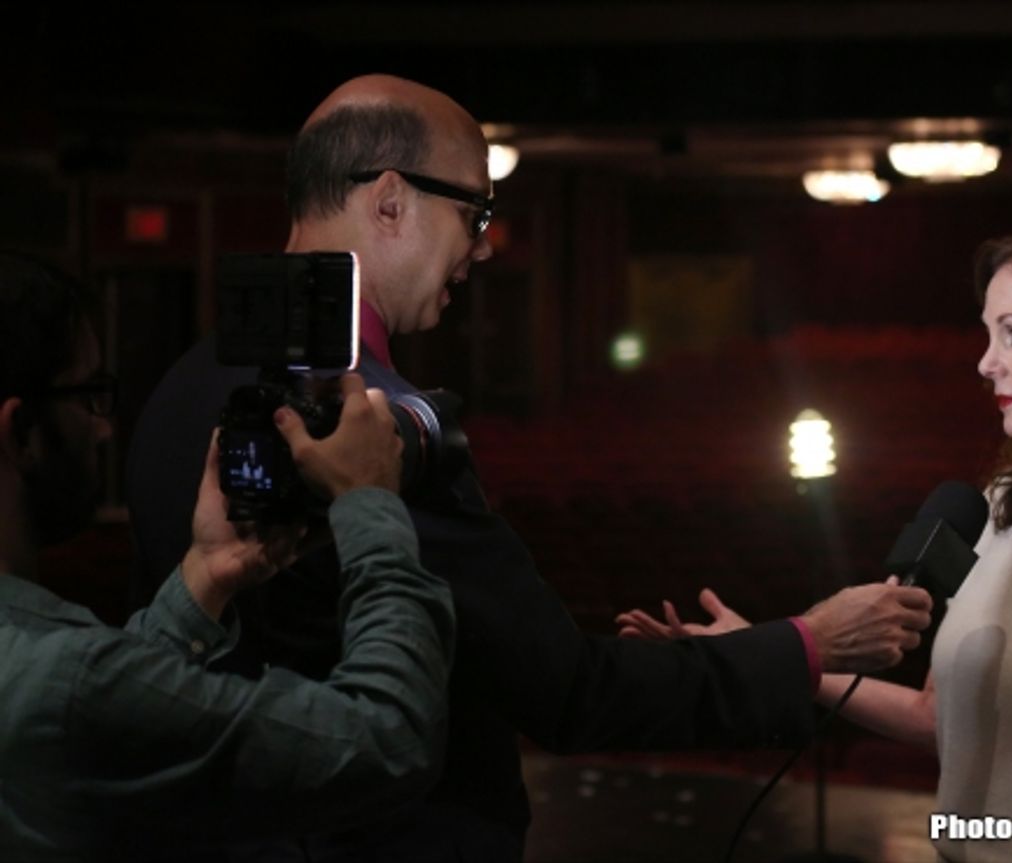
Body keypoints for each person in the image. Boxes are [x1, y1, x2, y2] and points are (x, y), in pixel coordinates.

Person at [125, 74, 934, 860]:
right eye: (474, 211)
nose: (480, 248)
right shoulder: (379, 428)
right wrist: (809, 640)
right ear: (391, 201)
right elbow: (569, 693)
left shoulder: (181, 388)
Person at [620, 224, 1012, 863]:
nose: (986, 362)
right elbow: (939, 716)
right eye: (989, 334)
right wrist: (774, 648)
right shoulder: (998, 506)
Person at [0, 253, 455, 859]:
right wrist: (370, 500)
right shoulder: (69, 680)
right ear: (21, 431)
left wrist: (205, 577)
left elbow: (104, 726)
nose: (104, 429)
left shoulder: (43, 670)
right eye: (89, 397)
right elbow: (387, 742)